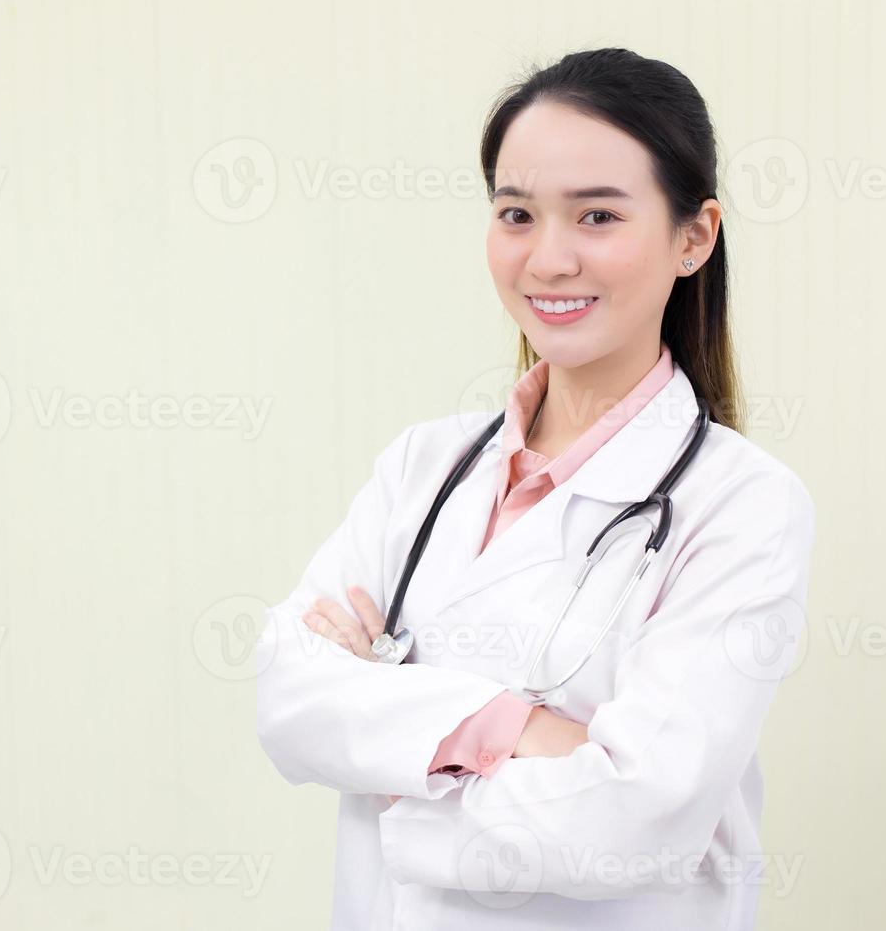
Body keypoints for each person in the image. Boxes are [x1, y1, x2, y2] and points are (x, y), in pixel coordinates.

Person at [254, 47, 817, 930]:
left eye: (597, 215)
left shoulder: (743, 506)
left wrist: (398, 763)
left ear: (693, 237)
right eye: (517, 214)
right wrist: (514, 725)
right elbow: (286, 696)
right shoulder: (424, 466)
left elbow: (640, 817)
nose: (548, 259)